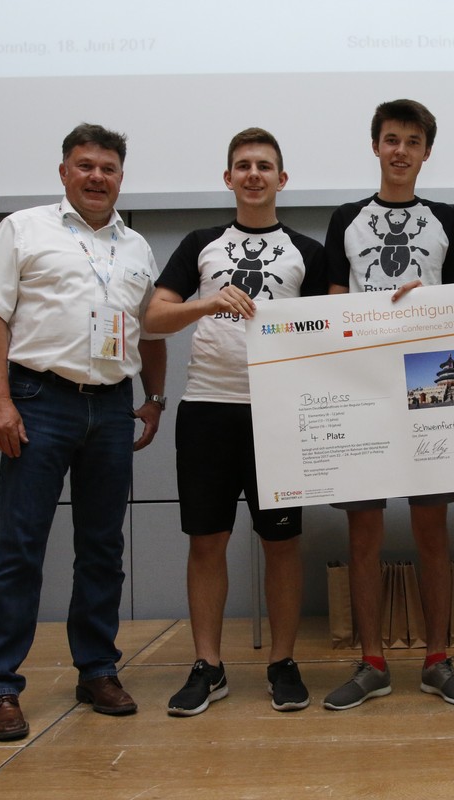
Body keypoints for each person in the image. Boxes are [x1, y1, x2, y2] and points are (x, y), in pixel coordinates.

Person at [0, 123, 168, 741]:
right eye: (85, 165)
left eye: (108, 168)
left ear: (121, 177)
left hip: (112, 408)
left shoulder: (137, 247)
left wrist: (154, 398)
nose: (96, 177)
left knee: (103, 548)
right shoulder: (23, 229)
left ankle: (97, 669)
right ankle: (0, 686)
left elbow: (150, 329)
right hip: (37, 401)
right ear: (63, 172)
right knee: (20, 545)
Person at [145, 128, 326, 716]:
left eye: (264, 166)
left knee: (282, 543)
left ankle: (282, 662)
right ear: (228, 178)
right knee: (207, 541)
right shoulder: (201, 243)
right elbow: (153, 317)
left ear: (281, 179)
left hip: (278, 412)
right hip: (207, 408)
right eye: (243, 165)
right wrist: (208, 301)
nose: (253, 174)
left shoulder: (308, 250)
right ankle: (209, 665)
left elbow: (334, 329)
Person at [321, 100, 454, 711]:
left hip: (427, 386)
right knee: (363, 530)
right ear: (376, 146)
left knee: (431, 526)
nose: (401, 151)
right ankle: (372, 663)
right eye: (391, 139)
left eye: (413, 141)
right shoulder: (346, 218)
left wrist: (427, 307)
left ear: (426, 152)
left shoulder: (447, 218)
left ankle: (438, 660)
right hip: (363, 382)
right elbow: (332, 306)